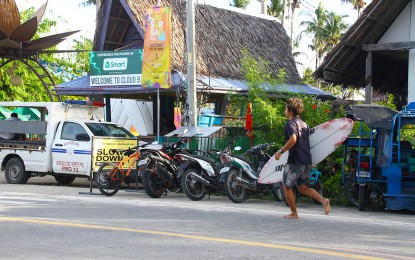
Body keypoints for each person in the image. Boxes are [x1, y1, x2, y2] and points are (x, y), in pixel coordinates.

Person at [275, 98, 330, 219]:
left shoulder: (290, 124)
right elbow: (309, 143)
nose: (284, 110)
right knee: (303, 188)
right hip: (306, 160)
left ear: (290, 111)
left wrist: (281, 151)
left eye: (285, 108)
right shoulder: (304, 124)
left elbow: (293, 139)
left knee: (287, 186)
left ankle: (294, 213)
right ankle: (323, 200)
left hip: (296, 160)